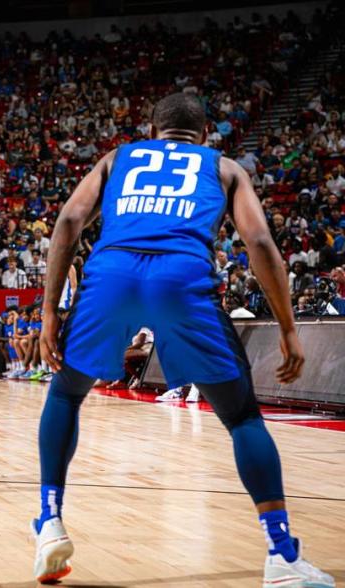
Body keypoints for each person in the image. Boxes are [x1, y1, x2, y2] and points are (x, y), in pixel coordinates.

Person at [33, 93, 331, 586]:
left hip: (111, 274)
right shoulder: (225, 167)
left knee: (66, 394)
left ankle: (49, 522)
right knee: (240, 416)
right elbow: (258, 242)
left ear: (152, 131)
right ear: (205, 135)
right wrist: (288, 327)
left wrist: (48, 312)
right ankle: (281, 554)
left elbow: (68, 220)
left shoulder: (116, 158)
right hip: (182, 277)